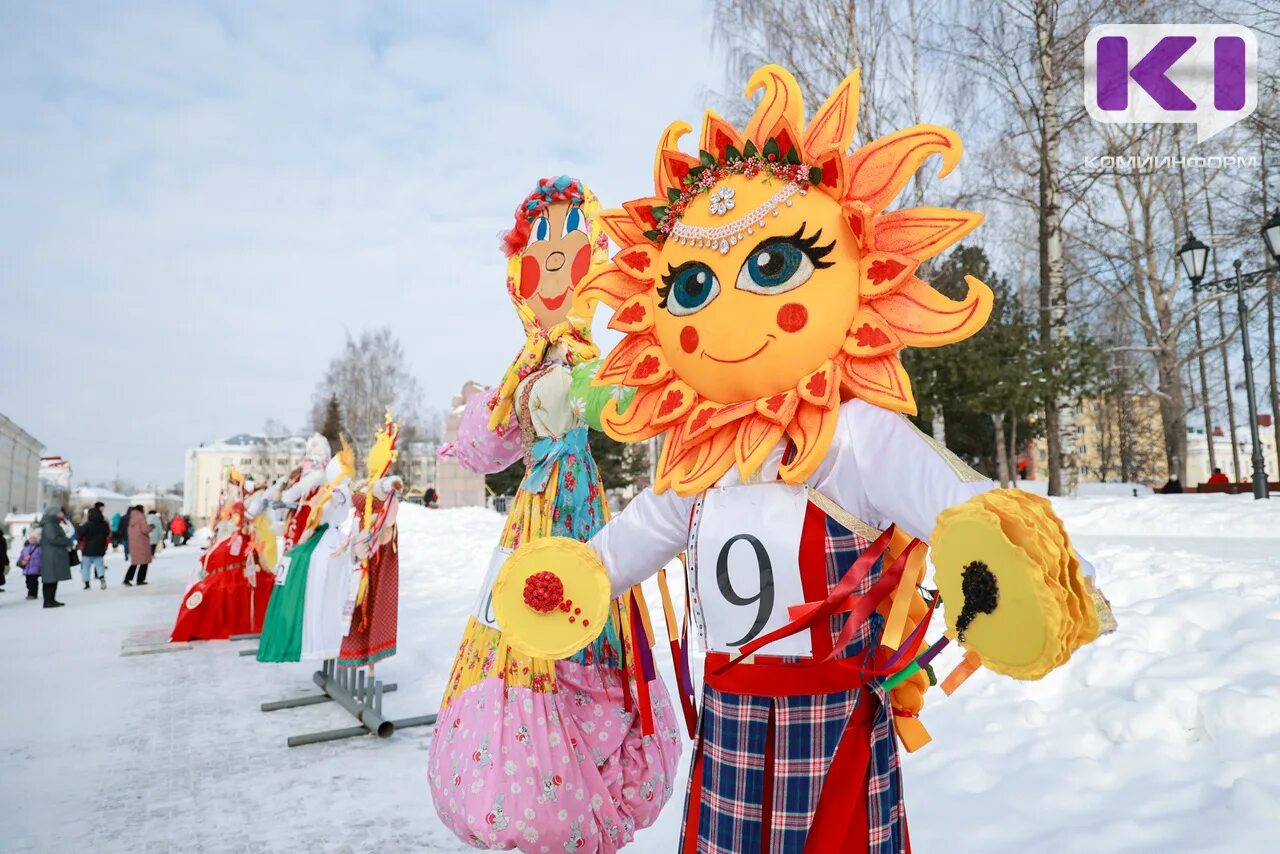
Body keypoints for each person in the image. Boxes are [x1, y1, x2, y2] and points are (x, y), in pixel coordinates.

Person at [495, 66, 1114, 851]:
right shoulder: (706, 455)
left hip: (831, 726)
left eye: (772, 266)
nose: (724, 310)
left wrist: (1027, 569)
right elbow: (651, 526)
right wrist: (580, 575)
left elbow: (957, 502)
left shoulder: (857, 435)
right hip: (728, 721)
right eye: (690, 284)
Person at [428, 176, 680, 852]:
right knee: (528, 620)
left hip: (579, 515)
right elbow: (483, 449)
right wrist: (515, 397)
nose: (560, 277)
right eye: (546, 264)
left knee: (585, 616)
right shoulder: (525, 366)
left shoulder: (594, 361)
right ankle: (530, 777)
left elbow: (623, 409)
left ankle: (581, 771)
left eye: (575, 263)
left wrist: (599, 393)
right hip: (533, 520)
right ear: (523, 277)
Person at [38, 506, 73, 607]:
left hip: (54, 555)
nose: (61, 514)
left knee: (53, 579)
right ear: (54, 514)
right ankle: (48, 601)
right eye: (59, 513)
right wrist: (68, 541)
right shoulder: (50, 525)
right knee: (50, 579)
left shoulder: (52, 524)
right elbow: (54, 539)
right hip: (52, 556)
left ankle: (51, 600)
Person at [78, 504, 111, 589]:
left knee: (86, 567)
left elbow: (80, 534)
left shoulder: (88, 524)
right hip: (100, 548)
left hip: (88, 549)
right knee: (100, 566)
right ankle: (102, 578)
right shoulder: (104, 524)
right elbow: (107, 534)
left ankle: (87, 583)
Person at [123, 505, 153, 586]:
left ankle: (127, 578)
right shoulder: (141, 517)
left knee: (135, 562)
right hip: (142, 542)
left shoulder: (131, 517)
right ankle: (140, 579)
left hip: (134, 542)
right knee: (144, 562)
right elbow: (144, 529)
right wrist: (151, 527)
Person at [17, 532, 42, 599]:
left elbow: (43, 558)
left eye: (34, 538)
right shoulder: (25, 548)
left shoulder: (40, 548)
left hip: (35, 569)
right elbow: (21, 557)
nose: (32, 539)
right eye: (31, 538)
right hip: (27, 569)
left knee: (33, 582)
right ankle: (31, 592)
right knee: (28, 582)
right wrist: (20, 562)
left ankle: (32, 594)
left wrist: (40, 567)